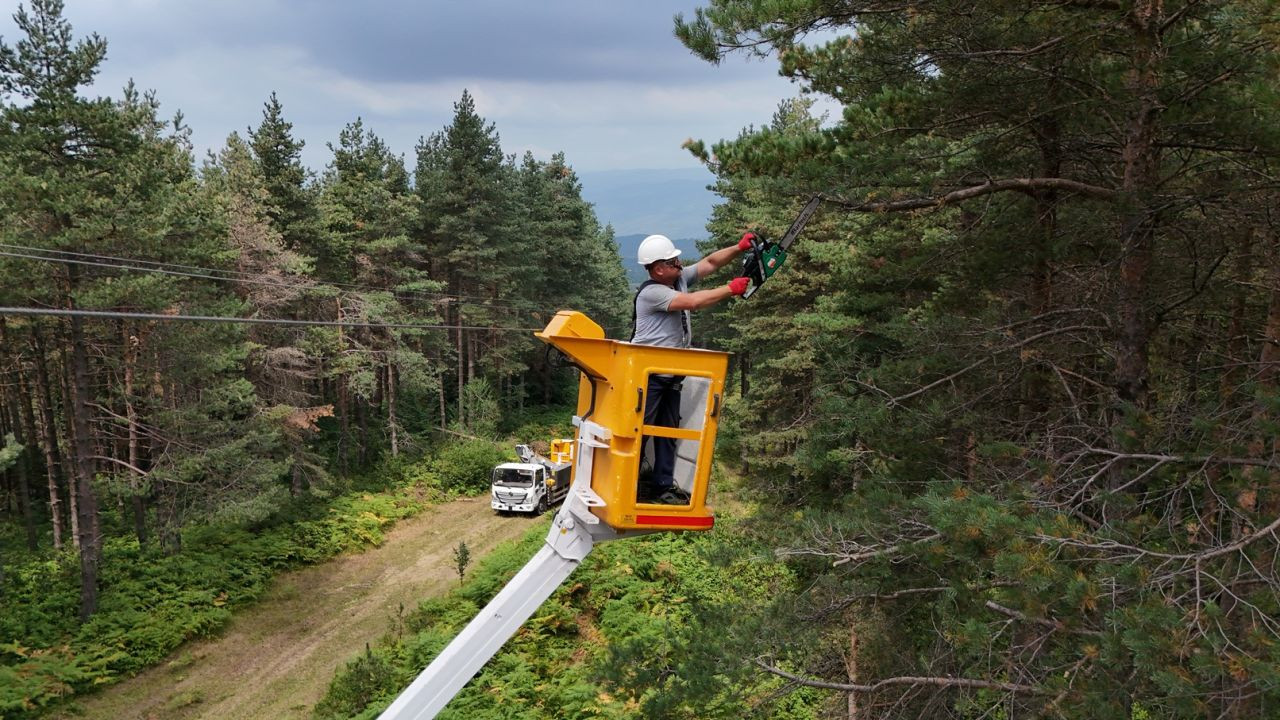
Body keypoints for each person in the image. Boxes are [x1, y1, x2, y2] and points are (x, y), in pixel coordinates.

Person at [631, 232, 753, 504]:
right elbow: (695, 303)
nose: (680, 263)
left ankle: (662, 487)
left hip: (670, 376)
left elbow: (710, 263)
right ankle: (628, 484)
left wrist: (738, 247)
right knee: (639, 431)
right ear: (658, 268)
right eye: (674, 262)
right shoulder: (653, 293)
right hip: (647, 377)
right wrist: (731, 289)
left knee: (668, 431)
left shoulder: (678, 278)